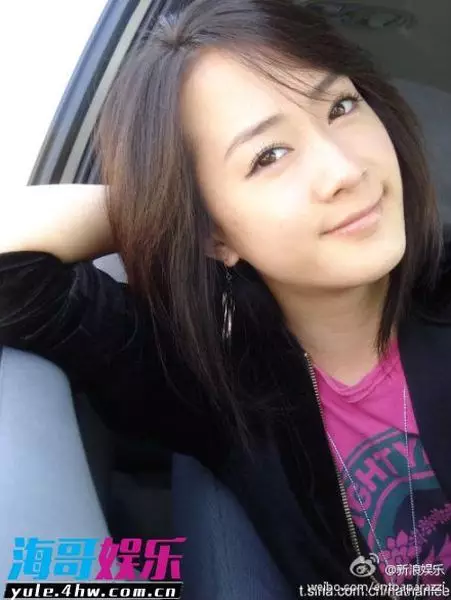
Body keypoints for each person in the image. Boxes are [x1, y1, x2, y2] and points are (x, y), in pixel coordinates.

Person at [1, 0, 450, 597]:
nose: (344, 169)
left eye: (341, 107)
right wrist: (164, 212)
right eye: (269, 156)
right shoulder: (218, 387)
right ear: (212, 232)